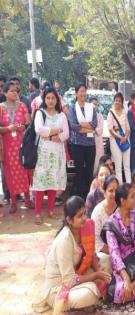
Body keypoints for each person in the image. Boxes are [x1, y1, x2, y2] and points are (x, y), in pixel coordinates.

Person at [42, 196, 111, 312]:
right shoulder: (64, 241)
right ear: (69, 220)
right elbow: (68, 280)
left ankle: (93, 285)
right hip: (59, 289)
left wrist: (98, 269)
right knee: (90, 293)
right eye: (79, 216)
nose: (84, 218)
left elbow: (91, 255)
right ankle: (88, 290)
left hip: (78, 272)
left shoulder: (84, 227)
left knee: (106, 260)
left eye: (84, 213)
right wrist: (96, 276)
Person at [33, 87, 69, 224]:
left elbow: (66, 134)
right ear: (44, 99)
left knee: (54, 181)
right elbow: (39, 129)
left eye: (53, 98)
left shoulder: (61, 115)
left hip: (58, 152)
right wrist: (56, 130)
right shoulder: (40, 113)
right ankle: (37, 213)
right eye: (48, 98)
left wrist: (57, 136)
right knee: (41, 182)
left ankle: (50, 210)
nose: (50, 100)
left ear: (57, 100)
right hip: (44, 153)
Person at [0, 81, 32, 213]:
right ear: (5, 93)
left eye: (17, 90)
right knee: (10, 174)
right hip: (7, 147)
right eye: (12, 91)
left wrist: (22, 127)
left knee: (24, 172)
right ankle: (13, 201)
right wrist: (8, 128)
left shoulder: (22, 106)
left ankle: (27, 199)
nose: (15, 93)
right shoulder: (1, 107)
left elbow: (28, 122)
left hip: (21, 145)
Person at [68, 84, 98, 199]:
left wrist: (83, 126)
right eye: (80, 91)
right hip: (77, 145)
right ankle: (80, 195)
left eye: (84, 91)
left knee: (89, 170)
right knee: (79, 170)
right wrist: (88, 128)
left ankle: (89, 195)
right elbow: (74, 126)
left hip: (90, 144)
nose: (82, 93)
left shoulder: (91, 107)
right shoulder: (72, 108)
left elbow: (95, 124)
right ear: (76, 93)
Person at [91, 175, 119, 273]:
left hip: (121, 248)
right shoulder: (98, 211)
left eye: (116, 190)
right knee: (105, 260)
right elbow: (95, 239)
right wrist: (113, 251)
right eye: (111, 191)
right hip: (103, 250)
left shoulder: (122, 208)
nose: (114, 194)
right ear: (104, 192)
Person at [108, 93, 131, 184]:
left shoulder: (125, 113)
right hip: (115, 141)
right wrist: (120, 137)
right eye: (116, 100)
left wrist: (125, 137)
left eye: (119, 101)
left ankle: (129, 185)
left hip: (125, 140)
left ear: (122, 102)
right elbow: (110, 129)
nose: (117, 102)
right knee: (118, 166)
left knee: (127, 166)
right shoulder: (111, 113)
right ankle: (120, 186)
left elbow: (128, 128)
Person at [89, 97, 105, 173]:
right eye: (93, 104)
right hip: (89, 141)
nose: (94, 106)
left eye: (96, 104)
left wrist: (93, 130)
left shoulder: (100, 116)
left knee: (98, 159)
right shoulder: (87, 116)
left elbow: (100, 129)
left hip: (98, 141)